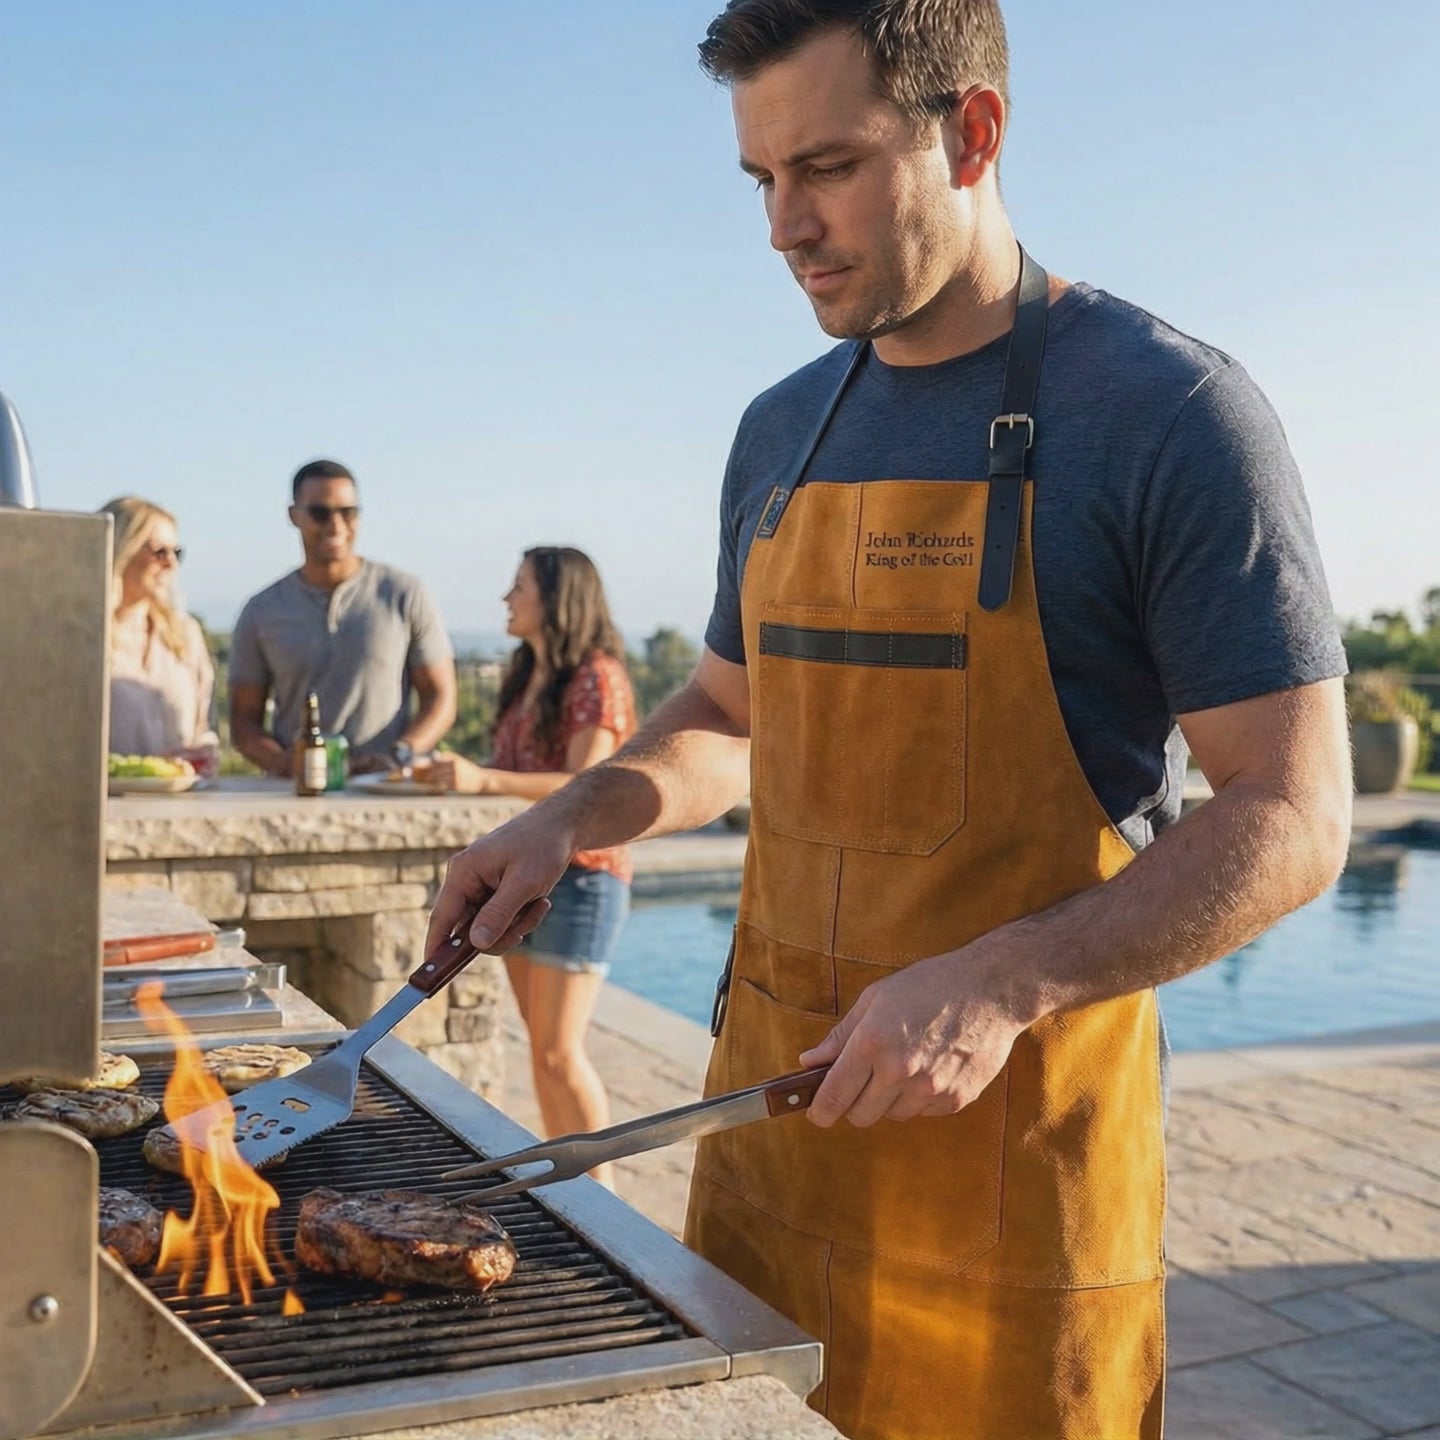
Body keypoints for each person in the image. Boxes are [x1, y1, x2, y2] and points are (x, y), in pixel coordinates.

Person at [428, 4, 1352, 1437]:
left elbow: (1294, 816)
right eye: (761, 180)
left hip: (1016, 1184)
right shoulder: (780, 426)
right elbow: (732, 713)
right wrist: (576, 812)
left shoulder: (1173, 414)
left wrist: (1002, 980)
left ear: (971, 132)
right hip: (762, 1151)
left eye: (831, 166)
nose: (786, 227)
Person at [428, 547, 637, 1188]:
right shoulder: (528, 676)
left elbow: (583, 783)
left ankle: (603, 1203)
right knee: (541, 1053)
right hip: (526, 878)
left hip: (584, 879)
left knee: (556, 1050)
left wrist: (482, 779)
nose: (505, 598)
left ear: (555, 598)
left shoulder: (595, 676)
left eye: (518, 587)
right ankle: (566, 1184)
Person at [229, 459, 457, 776]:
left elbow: (441, 697)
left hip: (386, 786)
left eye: (347, 512)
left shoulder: (404, 594)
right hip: (296, 793)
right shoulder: (262, 610)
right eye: (320, 513)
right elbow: (243, 722)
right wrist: (286, 764)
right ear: (294, 516)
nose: (336, 525)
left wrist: (400, 753)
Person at [101, 496, 218, 772]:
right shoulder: (81, 638)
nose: (171, 564)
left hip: (178, 805)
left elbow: (204, 727)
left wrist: (204, 752)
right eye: (158, 552)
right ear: (120, 551)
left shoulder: (185, 635)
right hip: (103, 807)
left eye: (176, 553)